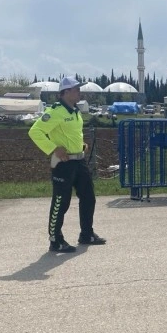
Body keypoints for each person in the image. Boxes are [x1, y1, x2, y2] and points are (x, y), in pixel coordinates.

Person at [28, 76, 107, 252]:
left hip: (79, 161)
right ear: (66, 92)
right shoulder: (55, 111)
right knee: (60, 202)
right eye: (76, 89)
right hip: (63, 164)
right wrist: (53, 149)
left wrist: (82, 145)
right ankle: (55, 240)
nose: (79, 92)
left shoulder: (75, 110)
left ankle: (86, 234)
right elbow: (35, 131)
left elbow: (72, 134)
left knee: (88, 198)